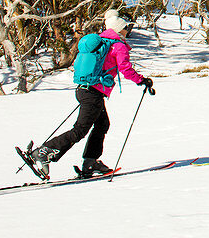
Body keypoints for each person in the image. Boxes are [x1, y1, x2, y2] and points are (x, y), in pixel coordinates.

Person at [27, 9, 155, 178]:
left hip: (84, 89)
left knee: (102, 124)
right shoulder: (118, 46)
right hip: (93, 93)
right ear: (118, 29)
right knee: (80, 130)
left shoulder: (100, 42)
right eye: (125, 27)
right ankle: (43, 153)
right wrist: (141, 80)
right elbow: (125, 68)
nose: (127, 30)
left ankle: (90, 162)